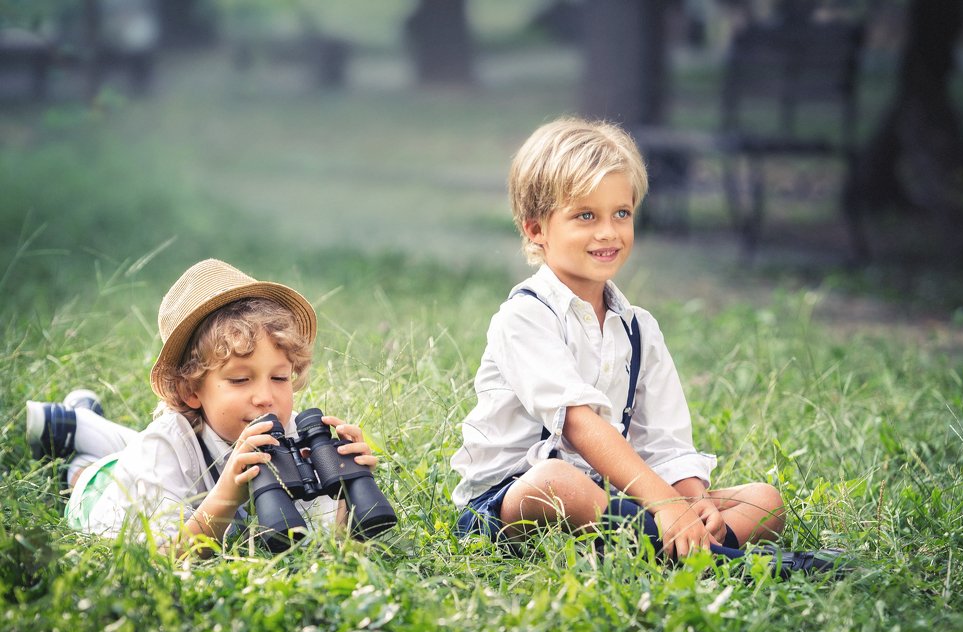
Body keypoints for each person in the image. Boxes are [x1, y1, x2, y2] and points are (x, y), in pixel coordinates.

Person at [450, 117, 788, 562]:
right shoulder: (525, 316)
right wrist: (665, 504)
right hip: (512, 500)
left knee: (763, 503)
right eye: (585, 216)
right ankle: (698, 555)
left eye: (621, 214)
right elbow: (578, 424)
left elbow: (665, 439)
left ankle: (665, 546)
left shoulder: (639, 327)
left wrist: (690, 498)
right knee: (557, 481)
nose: (608, 232)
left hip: (612, 499)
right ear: (536, 230)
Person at [26, 258, 378, 554]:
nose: (264, 397)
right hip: (104, 492)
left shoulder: (288, 435)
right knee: (92, 472)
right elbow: (164, 554)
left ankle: (86, 422)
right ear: (191, 390)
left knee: (135, 450)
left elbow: (324, 540)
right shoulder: (163, 447)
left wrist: (347, 491)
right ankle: (81, 435)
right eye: (240, 380)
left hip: (152, 462)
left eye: (280, 378)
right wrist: (226, 495)